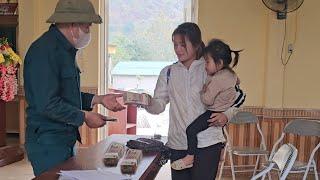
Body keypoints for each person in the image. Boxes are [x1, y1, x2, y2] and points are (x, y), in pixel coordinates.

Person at [23, 0, 125, 176]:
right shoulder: (44, 51)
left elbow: (66, 94)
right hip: (48, 142)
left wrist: (99, 99)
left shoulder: (64, 50)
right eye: (87, 27)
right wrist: (84, 116)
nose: (89, 32)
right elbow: (48, 104)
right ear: (72, 25)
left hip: (64, 139)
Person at [143, 22, 245, 180]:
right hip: (178, 144)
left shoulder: (209, 70)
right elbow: (158, 106)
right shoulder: (168, 72)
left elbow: (238, 95)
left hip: (208, 144)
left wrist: (226, 115)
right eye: (175, 45)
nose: (178, 49)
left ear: (197, 44)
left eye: (183, 44)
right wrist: (147, 102)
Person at [171, 39, 242, 170]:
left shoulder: (217, 78)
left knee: (191, 130)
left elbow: (208, 100)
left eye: (207, 62)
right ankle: (220, 149)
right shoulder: (230, 74)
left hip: (213, 115)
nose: (178, 49)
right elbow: (237, 82)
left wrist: (203, 92)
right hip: (178, 141)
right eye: (175, 45)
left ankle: (190, 157)